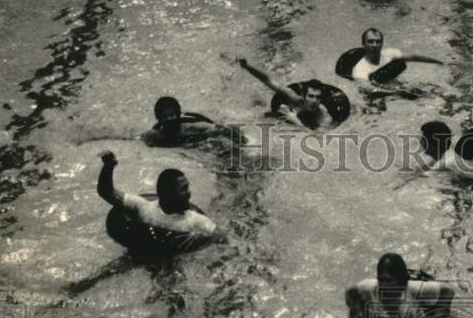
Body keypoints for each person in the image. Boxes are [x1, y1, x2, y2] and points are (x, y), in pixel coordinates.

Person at [96, 151, 224, 254]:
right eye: (183, 189)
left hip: (173, 256)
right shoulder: (144, 207)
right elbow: (106, 192)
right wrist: (108, 167)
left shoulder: (195, 221)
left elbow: (222, 238)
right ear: (168, 193)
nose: (189, 193)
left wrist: (198, 244)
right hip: (145, 249)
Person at [345, 253, 455, 318]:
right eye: (380, 280)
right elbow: (351, 292)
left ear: (400, 282)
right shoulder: (370, 288)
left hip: (414, 308)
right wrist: (355, 316)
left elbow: (448, 291)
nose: (383, 285)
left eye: (388, 281)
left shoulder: (416, 289)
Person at [237, 60, 332, 130]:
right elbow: (268, 80)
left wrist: (295, 120)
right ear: (303, 96)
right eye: (310, 96)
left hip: (305, 126)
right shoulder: (294, 98)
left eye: (318, 97)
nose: (314, 101)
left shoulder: (323, 114)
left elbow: (320, 138)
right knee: (259, 107)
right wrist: (247, 66)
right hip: (286, 119)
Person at [351, 28, 444, 82]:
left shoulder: (389, 53)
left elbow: (414, 57)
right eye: (370, 42)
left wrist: (440, 62)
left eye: (378, 42)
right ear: (363, 44)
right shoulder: (360, 69)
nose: (375, 45)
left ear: (382, 44)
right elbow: (367, 90)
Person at [141, 96, 223, 145]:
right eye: (164, 117)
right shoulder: (155, 133)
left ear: (178, 115)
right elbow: (138, 137)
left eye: (171, 116)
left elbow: (217, 128)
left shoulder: (192, 127)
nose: (168, 120)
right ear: (159, 119)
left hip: (194, 118)